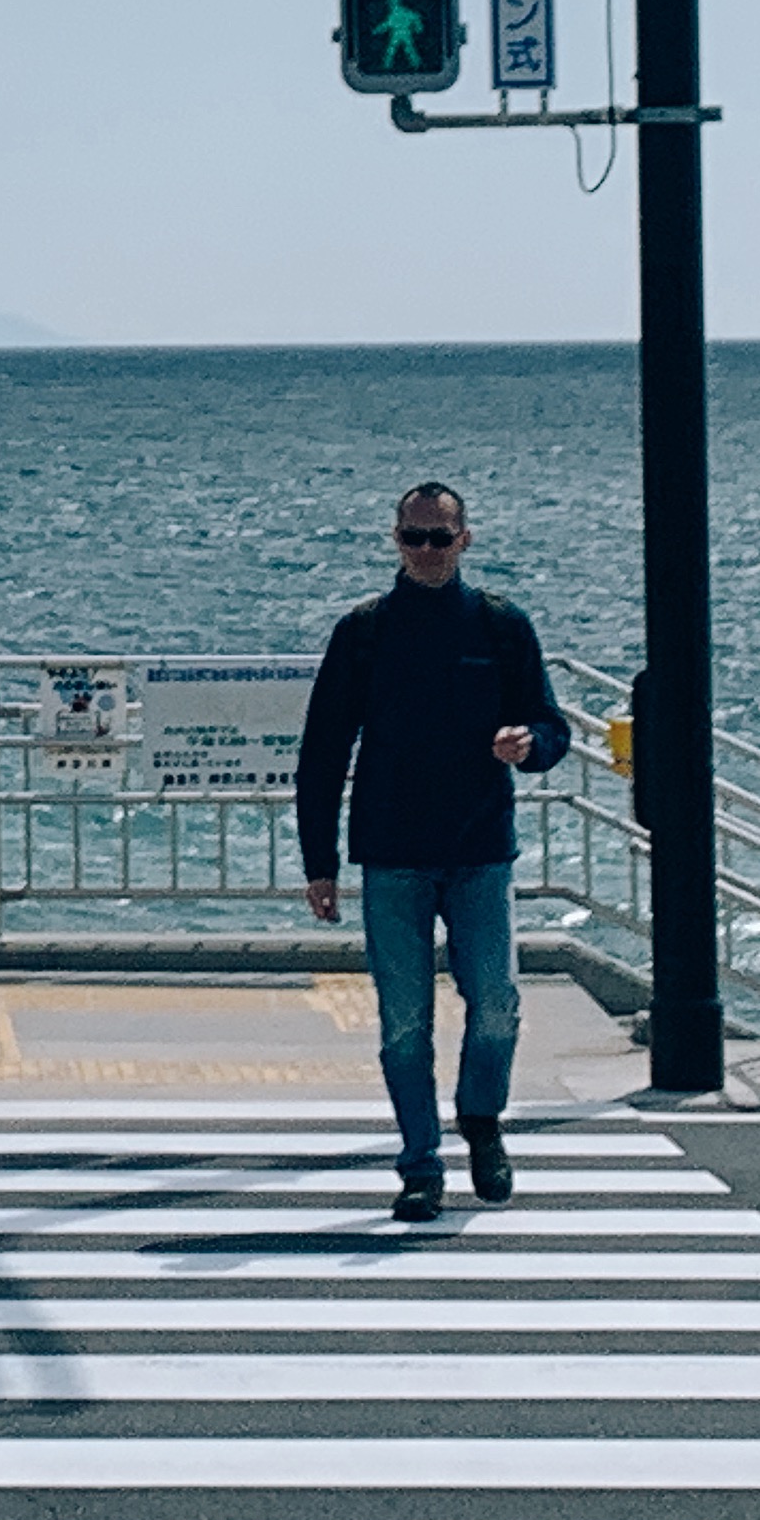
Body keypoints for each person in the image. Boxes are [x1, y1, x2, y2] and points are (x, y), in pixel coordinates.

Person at [294, 483, 569, 1221]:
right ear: (395, 539)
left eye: (439, 539)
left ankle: (481, 1121)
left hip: (481, 850)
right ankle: (419, 1164)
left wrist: (529, 745)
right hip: (391, 855)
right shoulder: (365, 631)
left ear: (465, 541)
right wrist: (318, 863)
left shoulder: (501, 626)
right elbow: (322, 751)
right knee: (405, 1022)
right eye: (412, 537)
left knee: (499, 1006)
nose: (425, 552)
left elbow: (552, 727)